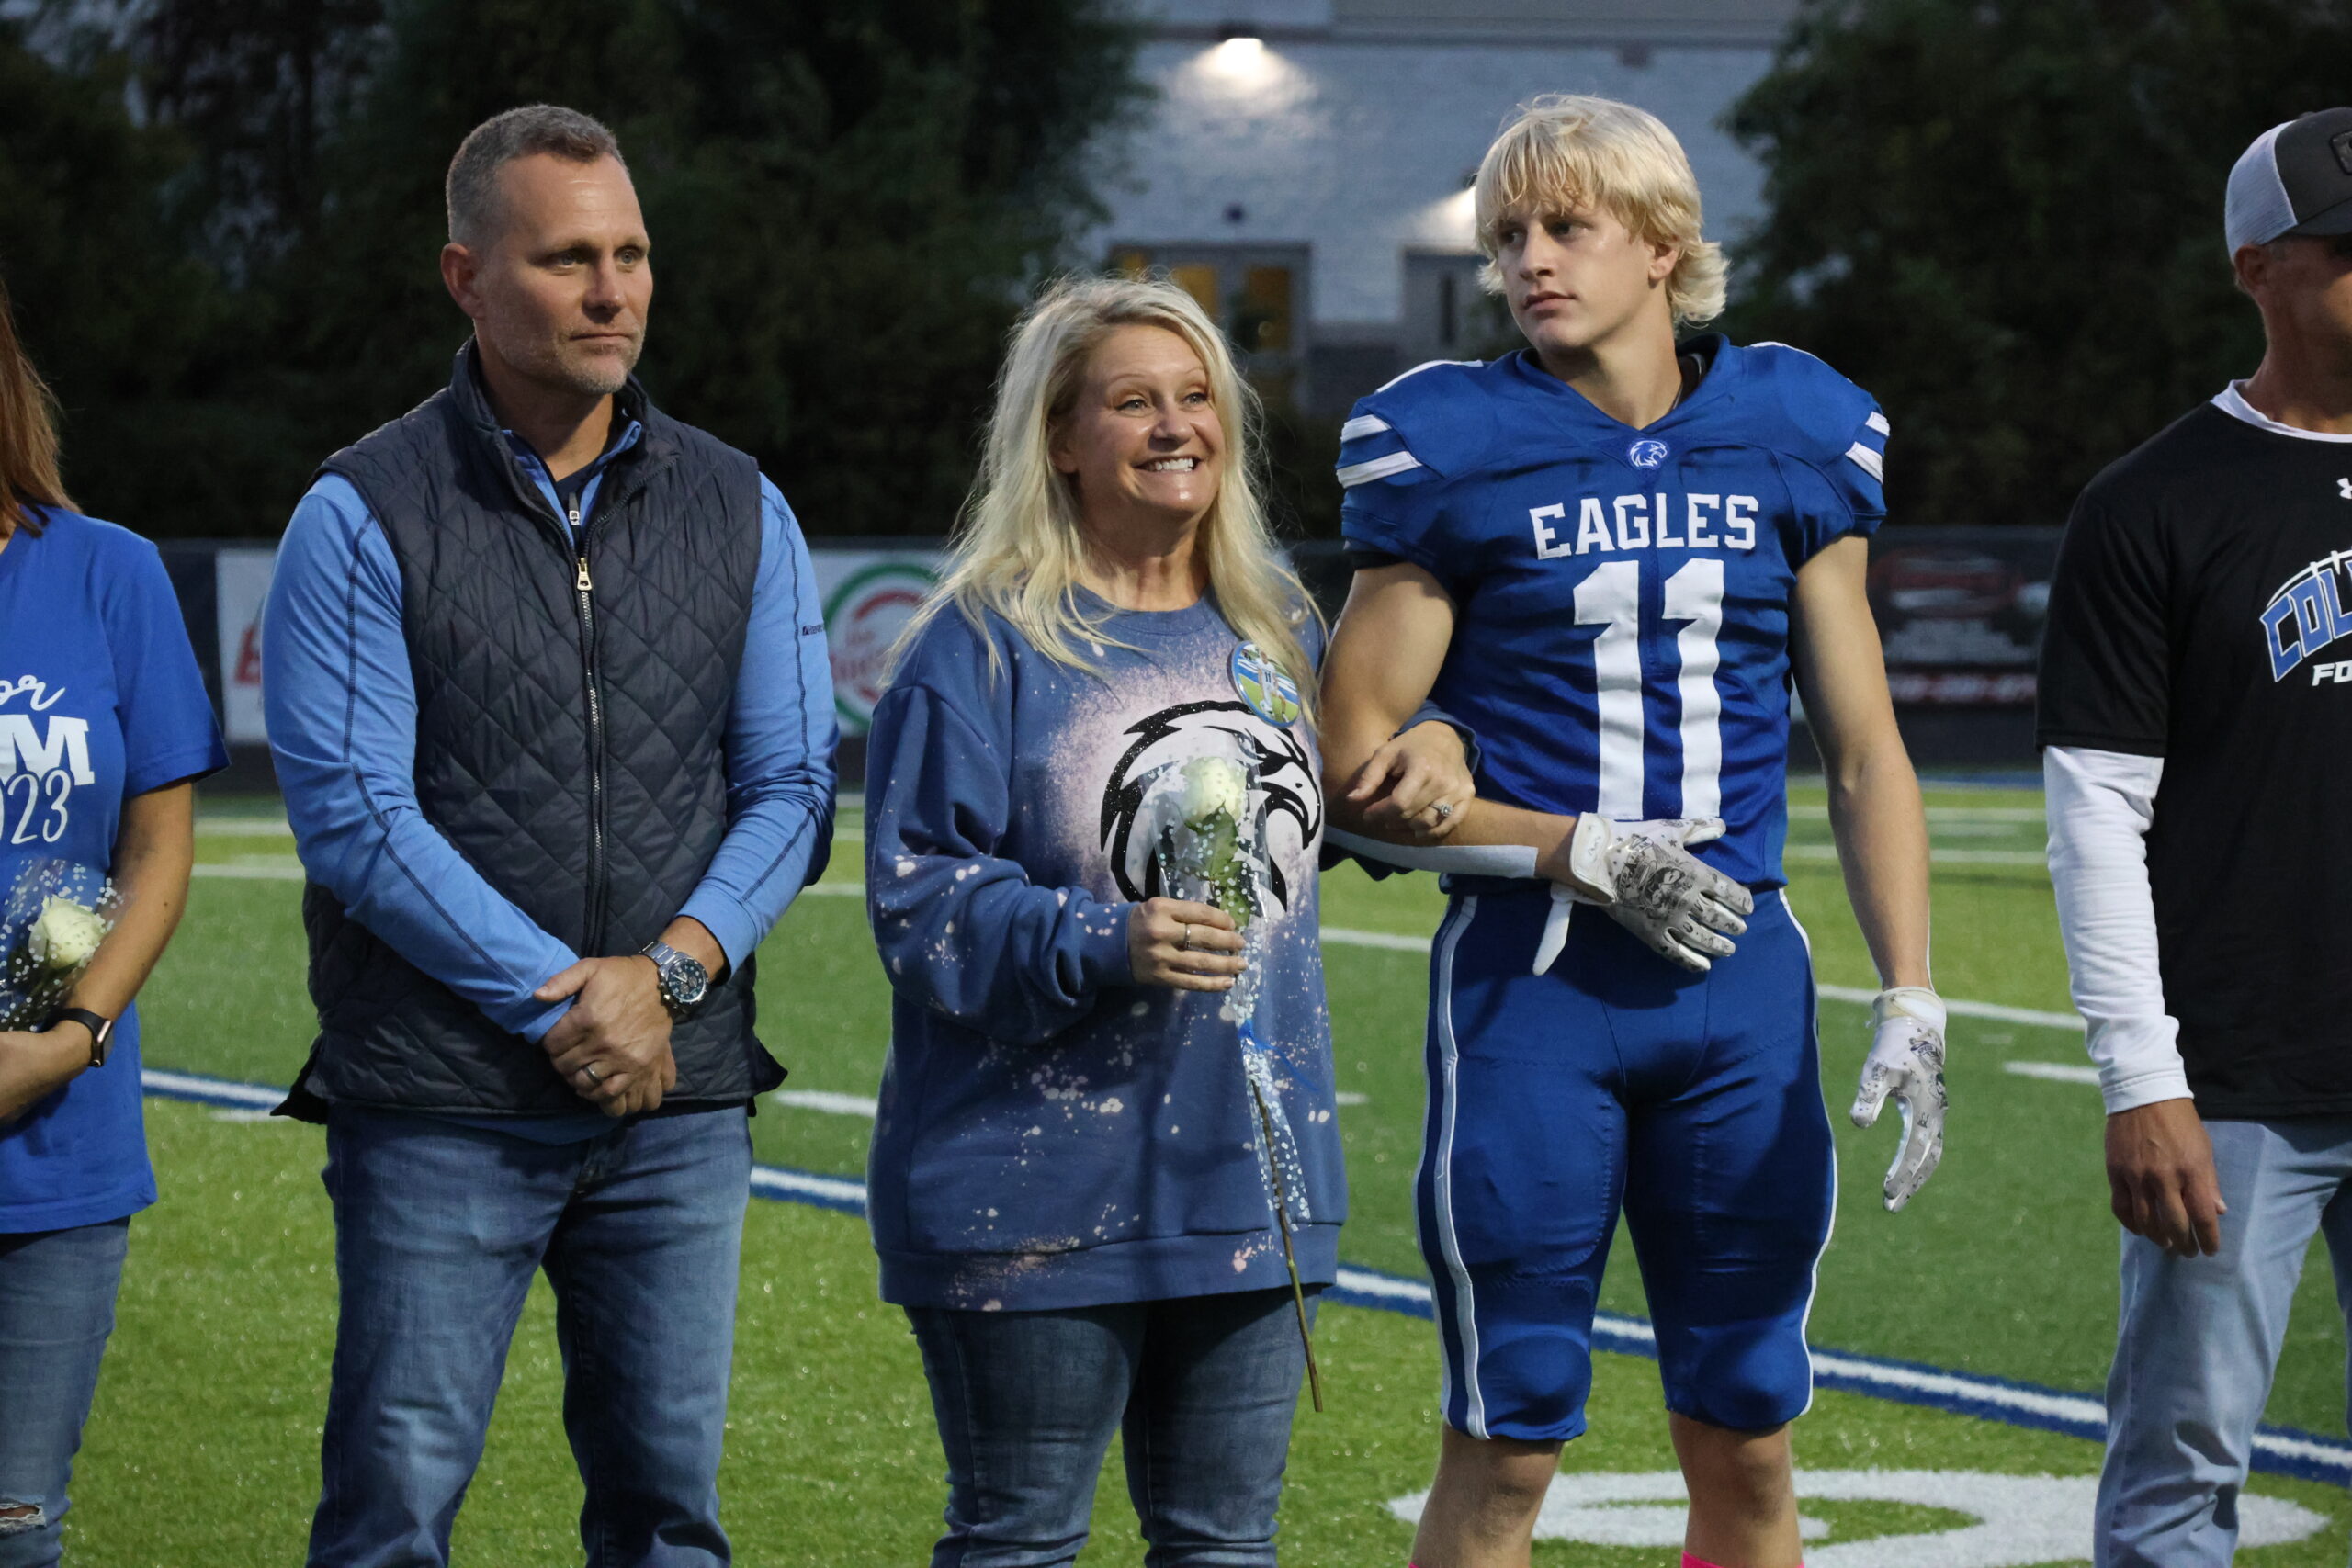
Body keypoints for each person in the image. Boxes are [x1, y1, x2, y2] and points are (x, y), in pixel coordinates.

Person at [1317, 96, 1946, 1568]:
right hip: (1537, 985)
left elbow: (1864, 749)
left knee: (1750, 1435)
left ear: (1663, 245)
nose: (1528, 262)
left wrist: (1911, 987)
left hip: (1740, 978)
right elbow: (1348, 768)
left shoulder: (1792, 428)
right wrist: (1568, 843)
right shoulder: (1450, 442)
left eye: (1565, 227)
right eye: (1507, 237)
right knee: (1510, 1440)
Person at [262, 105, 835, 1568]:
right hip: (441, 1104)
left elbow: (791, 788)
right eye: (568, 258)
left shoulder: (742, 503)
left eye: (630, 255)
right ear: (466, 276)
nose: (611, 291)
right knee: (390, 1524)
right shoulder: (361, 508)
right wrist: (574, 1003)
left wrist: (669, 981)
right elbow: (355, 818)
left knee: (668, 1525)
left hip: (674, 1104)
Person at [863, 274, 1463, 1567]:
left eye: (1197, 397)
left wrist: (1437, 745)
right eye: (1133, 402)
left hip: (1249, 1180)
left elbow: (1345, 803)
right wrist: (1104, 939)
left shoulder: (1276, 620)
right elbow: (917, 899)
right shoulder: (980, 642)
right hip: (1026, 1190)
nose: (1177, 425)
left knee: (1225, 1550)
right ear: (1060, 441)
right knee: (1021, 1543)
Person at [2040, 107, 2352, 1568]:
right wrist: (2139, 1077)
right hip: (2234, 1080)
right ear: (2256, 269)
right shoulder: (2153, 503)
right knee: (2180, 1472)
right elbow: (2096, 815)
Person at [0, 275, 227, 1565]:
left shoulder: (106, 574)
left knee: (16, 1529)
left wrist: (62, 1037)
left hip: (52, 1146)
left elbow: (148, 849)